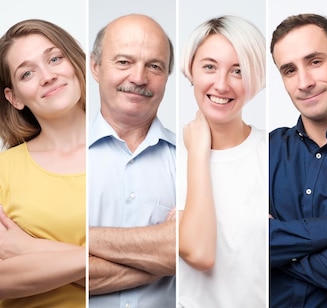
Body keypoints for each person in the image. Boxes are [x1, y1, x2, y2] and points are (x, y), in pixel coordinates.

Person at [177, 15, 266, 307]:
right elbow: (199, 253)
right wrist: (199, 154)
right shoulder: (170, 155)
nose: (221, 84)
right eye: (209, 67)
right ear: (191, 69)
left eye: (238, 71)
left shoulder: (275, 153)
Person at [268, 13, 327, 307]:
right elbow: (233, 243)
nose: (303, 82)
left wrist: (277, 246)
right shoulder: (263, 150)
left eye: (315, 62)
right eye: (290, 70)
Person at [87, 14, 175, 307]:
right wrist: (160, 255)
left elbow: (192, 251)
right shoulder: (57, 157)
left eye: (154, 66)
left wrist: (72, 241)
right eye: (124, 62)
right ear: (96, 67)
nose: (139, 78)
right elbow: (37, 268)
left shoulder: (194, 161)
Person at [0, 19, 86, 307]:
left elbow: (164, 261)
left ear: (75, 62)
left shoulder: (138, 152)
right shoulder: (4, 171)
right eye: (27, 73)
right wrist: (104, 257)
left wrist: (32, 249)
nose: (48, 76)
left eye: (54, 58)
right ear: (14, 98)